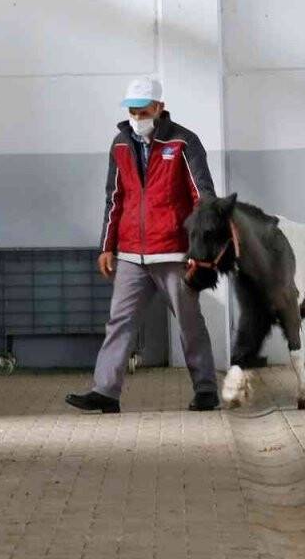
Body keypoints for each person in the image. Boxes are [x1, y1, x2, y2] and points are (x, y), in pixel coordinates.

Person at [65, 76, 220, 413]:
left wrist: (201, 253)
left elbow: (204, 200)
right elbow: (114, 199)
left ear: (159, 107)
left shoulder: (184, 142)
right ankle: (105, 392)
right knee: (119, 322)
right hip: (131, 254)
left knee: (190, 322)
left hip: (175, 253)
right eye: (132, 110)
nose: (137, 117)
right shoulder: (120, 145)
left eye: (143, 110)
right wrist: (107, 246)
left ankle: (206, 390)